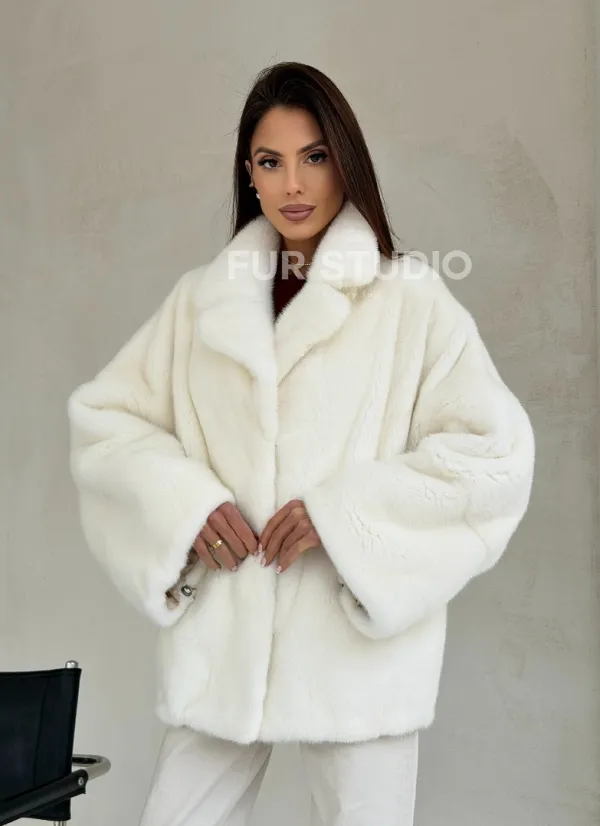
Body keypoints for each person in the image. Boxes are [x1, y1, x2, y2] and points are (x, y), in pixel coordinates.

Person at [67, 61, 536, 826]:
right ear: (247, 174)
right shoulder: (202, 303)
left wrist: (343, 518)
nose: (293, 183)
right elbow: (108, 424)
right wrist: (184, 505)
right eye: (270, 160)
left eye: (314, 156)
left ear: (344, 162)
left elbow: (494, 456)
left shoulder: (410, 300)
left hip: (356, 655)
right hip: (224, 647)